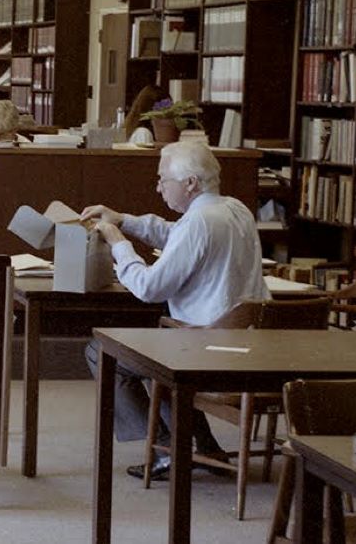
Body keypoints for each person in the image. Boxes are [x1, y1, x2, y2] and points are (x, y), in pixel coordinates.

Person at [80, 140, 270, 481]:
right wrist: (123, 220)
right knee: (159, 346)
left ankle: (167, 449)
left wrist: (119, 243)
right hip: (248, 346)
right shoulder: (234, 209)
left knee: (101, 352)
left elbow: (149, 288)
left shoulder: (198, 222)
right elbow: (177, 235)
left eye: (163, 179)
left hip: (206, 351)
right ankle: (203, 445)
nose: (158, 187)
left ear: (190, 183)